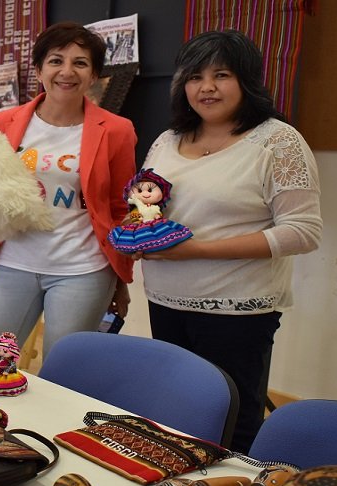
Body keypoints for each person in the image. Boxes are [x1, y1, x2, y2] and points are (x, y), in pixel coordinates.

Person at [137, 30, 322, 453]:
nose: (206, 87)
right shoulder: (168, 140)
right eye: (195, 76)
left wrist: (195, 251)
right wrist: (139, 232)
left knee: (232, 422)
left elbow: (303, 231)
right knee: (176, 411)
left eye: (221, 75)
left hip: (236, 310)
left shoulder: (277, 142)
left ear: (247, 82)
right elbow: (146, 200)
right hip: (166, 301)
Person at [0, 21, 137, 360]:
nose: (67, 71)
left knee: (64, 371)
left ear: (94, 76)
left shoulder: (117, 130)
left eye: (80, 63)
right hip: (11, 262)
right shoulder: (6, 121)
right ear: (39, 70)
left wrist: (121, 277)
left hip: (82, 269)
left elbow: (121, 208)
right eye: (56, 60)